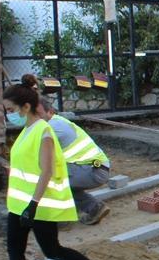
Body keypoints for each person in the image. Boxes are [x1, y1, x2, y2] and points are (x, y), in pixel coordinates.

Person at [0, 82, 114, 260]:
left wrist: (34, 204)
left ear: (25, 107)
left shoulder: (44, 131)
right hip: (19, 204)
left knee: (52, 250)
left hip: (38, 205)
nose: (8, 114)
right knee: (14, 252)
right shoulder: (26, 131)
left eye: (10, 109)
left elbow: (47, 171)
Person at [21, 75, 112, 225]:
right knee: (59, 179)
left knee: (48, 178)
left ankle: (61, 218)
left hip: (93, 170)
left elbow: (33, 154)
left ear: (50, 112)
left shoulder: (52, 128)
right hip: (94, 168)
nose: (36, 118)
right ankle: (95, 208)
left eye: (39, 114)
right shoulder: (55, 122)